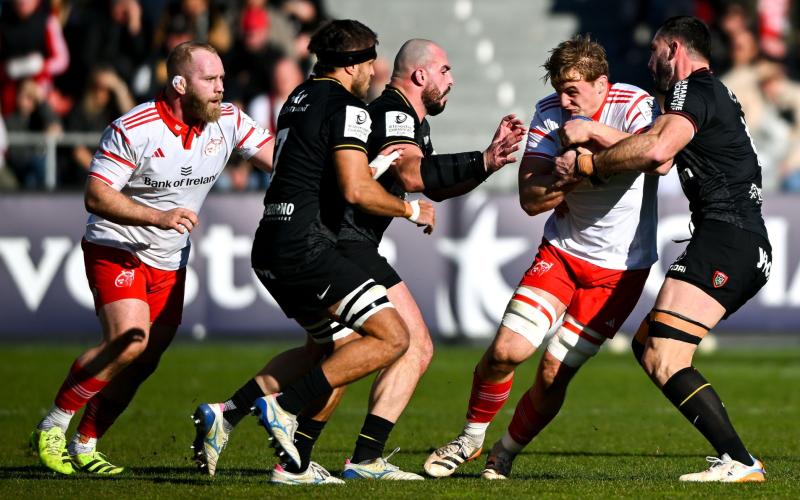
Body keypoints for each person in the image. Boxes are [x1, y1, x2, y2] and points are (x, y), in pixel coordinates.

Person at [191, 38, 525, 484]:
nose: (451, 80)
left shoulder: (408, 119)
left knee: (327, 352)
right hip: (344, 242)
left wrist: (483, 164)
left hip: (333, 239)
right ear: (421, 75)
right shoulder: (392, 113)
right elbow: (411, 175)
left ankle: (234, 418)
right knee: (407, 344)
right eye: (445, 71)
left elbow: (429, 183)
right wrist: (479, 160)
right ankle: (357, 457)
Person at [29, 41, 273, 475]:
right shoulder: (135, 127)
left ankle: (86, 444)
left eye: (222, 78)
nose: (221, 88)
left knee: (143, 361)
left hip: (170, 257)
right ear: (180, 84)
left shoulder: (229, 121)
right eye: (210, 80)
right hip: (117, 245)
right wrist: (157, 216)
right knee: (130, 338)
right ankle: (52, 425)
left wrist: (353, 170)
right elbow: (96, 195)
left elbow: (282, 160)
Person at [425, 34, 660, 480]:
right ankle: (470, 439)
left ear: (602, 85)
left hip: (620, 270)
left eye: (574, 90)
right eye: (559, 89)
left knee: (554, 372)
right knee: (504, 351)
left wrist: (591, 136)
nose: (565, 100)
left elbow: (657, 158)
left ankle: (506, 451)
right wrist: (571, 179)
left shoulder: (634, 104)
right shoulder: (549, 112)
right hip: (564, 253)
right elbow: (532, 199)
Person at [553, 16, 770, 483]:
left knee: (665, 355)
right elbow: (662, 151)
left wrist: (589, 161)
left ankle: (740, 461)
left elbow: (654, 154)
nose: (649, 62)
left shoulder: (692, 90)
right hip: (738, 240)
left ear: (673, 49)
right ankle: (736, 459)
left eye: (654, 51)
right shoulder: (711, 93)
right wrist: (594, 130)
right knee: (648, 344)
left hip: (727, 238)